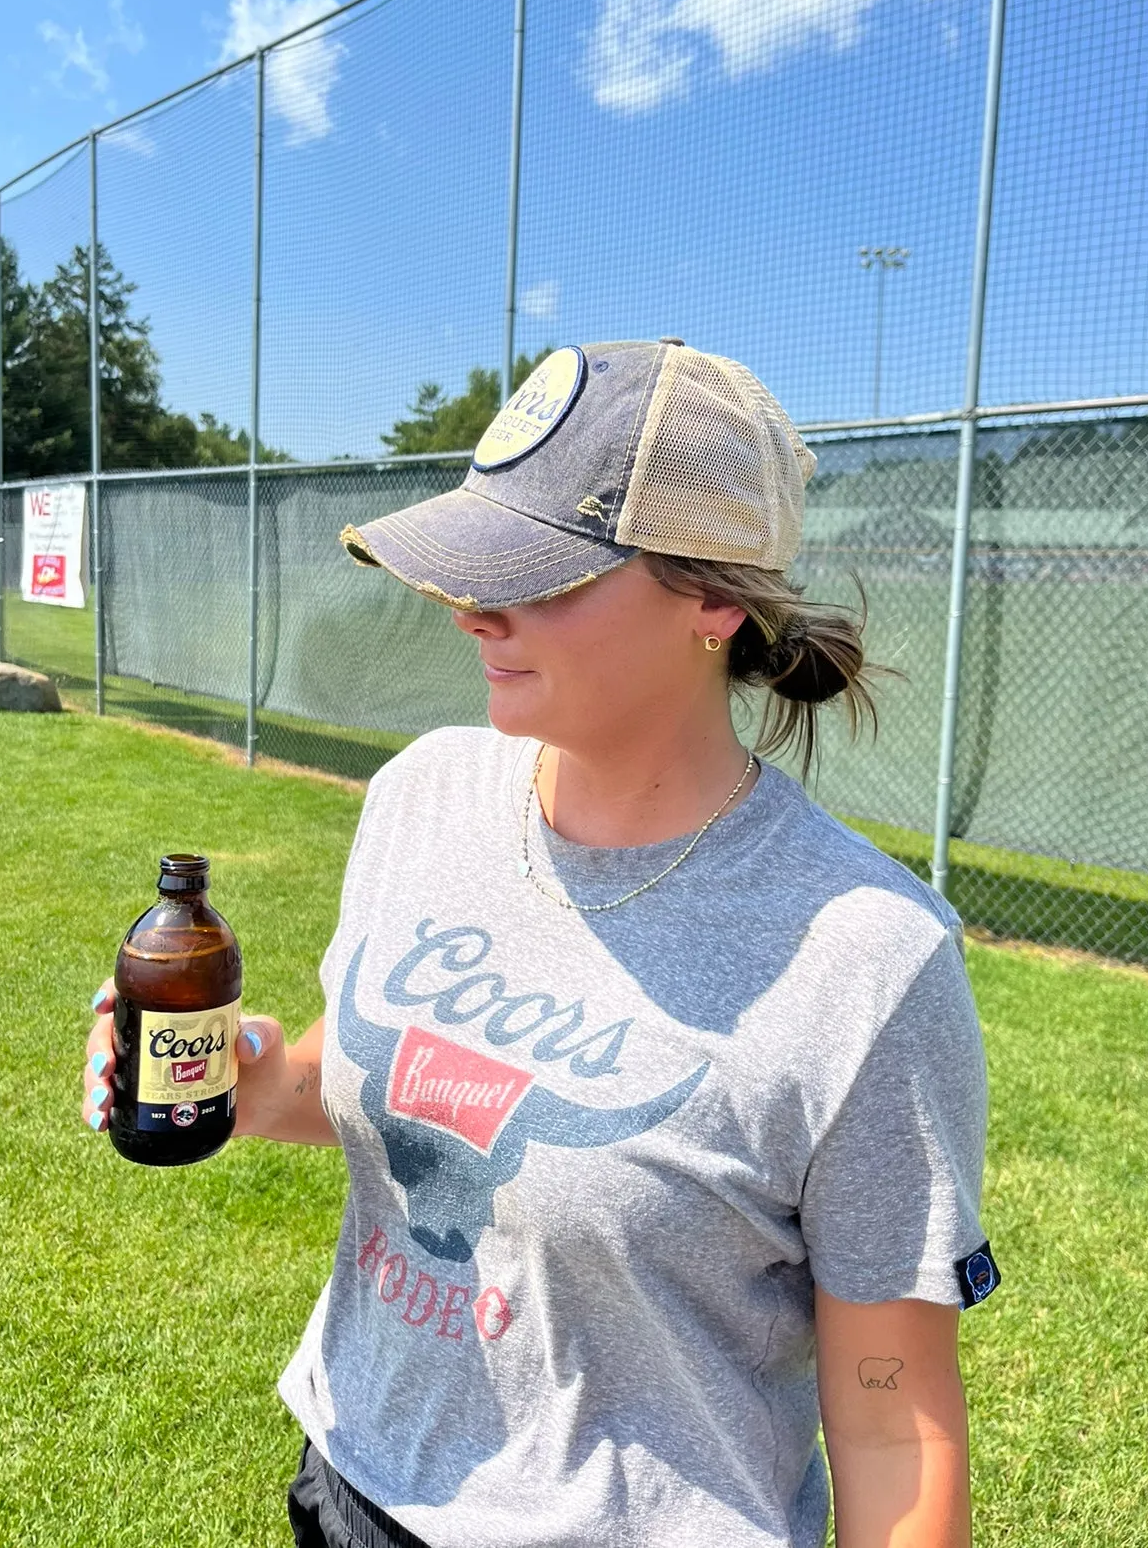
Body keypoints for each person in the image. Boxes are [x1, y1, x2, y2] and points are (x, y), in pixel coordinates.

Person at [84, 339, 1000, 1548]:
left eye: (542, 575)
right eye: (472, 565)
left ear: (716, 601)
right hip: (350, 1487)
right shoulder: (426, 794)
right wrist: (248, 1080)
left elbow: (894, 1423)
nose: (472, 611)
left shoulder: (868, 960)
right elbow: (379, 1081)